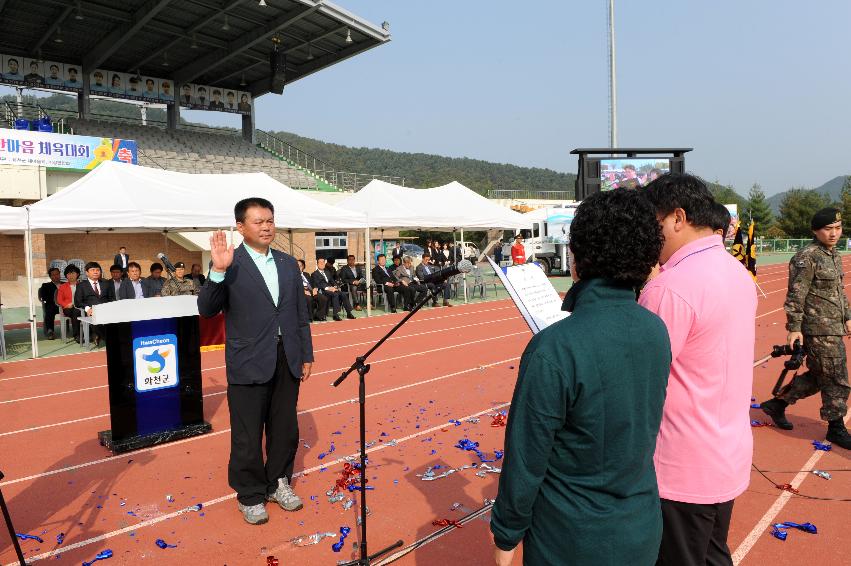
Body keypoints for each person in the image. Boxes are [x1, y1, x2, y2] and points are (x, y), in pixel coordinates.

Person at [491, 188, 670, 566]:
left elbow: (526, 457)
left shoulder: (555, 348)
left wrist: (507, 534)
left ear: (577, 258)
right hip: (640, 528)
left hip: (569, 539)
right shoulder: (656, 329)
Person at [638, 173, 757, 566]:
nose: (651, 238)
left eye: (653, 225)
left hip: (681, 466)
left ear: (677, 218)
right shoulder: (736, 271)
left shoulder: (671, 287)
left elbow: (638, 375)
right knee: (712, 554)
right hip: (725, 455)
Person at [198, 197, 314, 525]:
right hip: (248, 360)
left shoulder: (288, 263)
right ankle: (249, 494)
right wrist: (218, 271)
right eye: (258, 221)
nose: (266, 227)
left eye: (270, 220)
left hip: (286, 356)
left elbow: (299, 315)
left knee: (284, 427)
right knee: (248, 434)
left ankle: (278, 482)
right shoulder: (229, 263)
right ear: (240, 227)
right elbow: (206, 309)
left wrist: (306, 353)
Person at [760, 208, 851, 449]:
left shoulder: (832, 254)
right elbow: (796, 295)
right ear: (815, 231)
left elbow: (837, 292)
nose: (834, 234)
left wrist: (847, 317)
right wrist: (794, 328)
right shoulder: (807, 256)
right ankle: (836, 428)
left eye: (837, 228)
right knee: (837, 378)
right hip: (817, 328)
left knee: (821, 375)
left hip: (832, 326)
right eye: (827, 229)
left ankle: (777, 405)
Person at [74, 261, 115, 347]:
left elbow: (112, 298)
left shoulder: (106, 283)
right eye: (93, 270)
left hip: (106, 309)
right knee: (95, 318)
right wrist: (87, 309)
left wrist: (109, 307)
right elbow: (78, 302)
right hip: (91, 310)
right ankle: (108, 339)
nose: (96, 272)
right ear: (87, 272)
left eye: (98, 270)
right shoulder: (81, 285)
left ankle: (98, 335)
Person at [57, 265, 81, 341]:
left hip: (80, 307)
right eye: (68, 274)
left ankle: (81, 334)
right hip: (68, 308)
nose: (71, 275)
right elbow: (59, 300)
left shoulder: (82, 285)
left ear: (77, 274)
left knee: (77, 311)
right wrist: (66, 305)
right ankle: (77, 335)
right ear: (66, 276)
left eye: (73, 273)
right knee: (75, 312)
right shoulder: (62, 286)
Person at [38, 267, 62, 339]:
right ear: (50, 277)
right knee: (49, 309)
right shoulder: (45, 285)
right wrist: (56, 299)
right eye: (53, 275)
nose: (56, 276)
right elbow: (44, 297)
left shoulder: (65, 284)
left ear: (60, 274)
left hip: (65, 306)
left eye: (57, 274)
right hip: (53, 306)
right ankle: (50, 331)